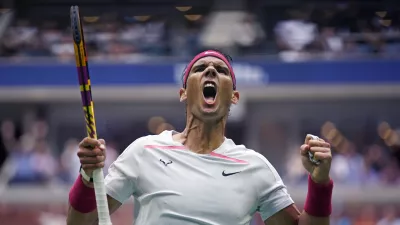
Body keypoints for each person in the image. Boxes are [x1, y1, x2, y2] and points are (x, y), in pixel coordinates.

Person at [66, 50, 333, 225]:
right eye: (200, 68)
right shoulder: (144, 151)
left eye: (221, 70)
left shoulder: (255, 167)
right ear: (183, 93)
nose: (211, 71)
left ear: (234, 97)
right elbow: (81, 223)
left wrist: (319, 183)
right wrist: (88, 177)